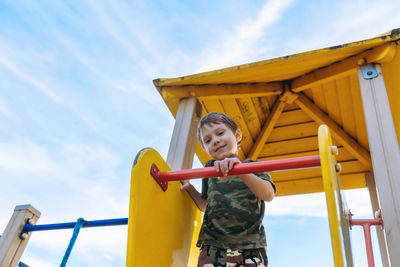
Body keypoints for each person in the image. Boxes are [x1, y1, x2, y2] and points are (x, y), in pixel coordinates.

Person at [181, 112, 276, 267]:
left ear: (237, 135)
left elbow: (268, 194)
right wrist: (191, 190)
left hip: (250, 245)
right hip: (213, 245)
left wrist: (241, 170)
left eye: (220, 133)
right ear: (205, 148)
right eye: (208, 140)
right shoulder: (209, 170)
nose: (216, 141)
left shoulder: (253, 166)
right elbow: (206, 204)